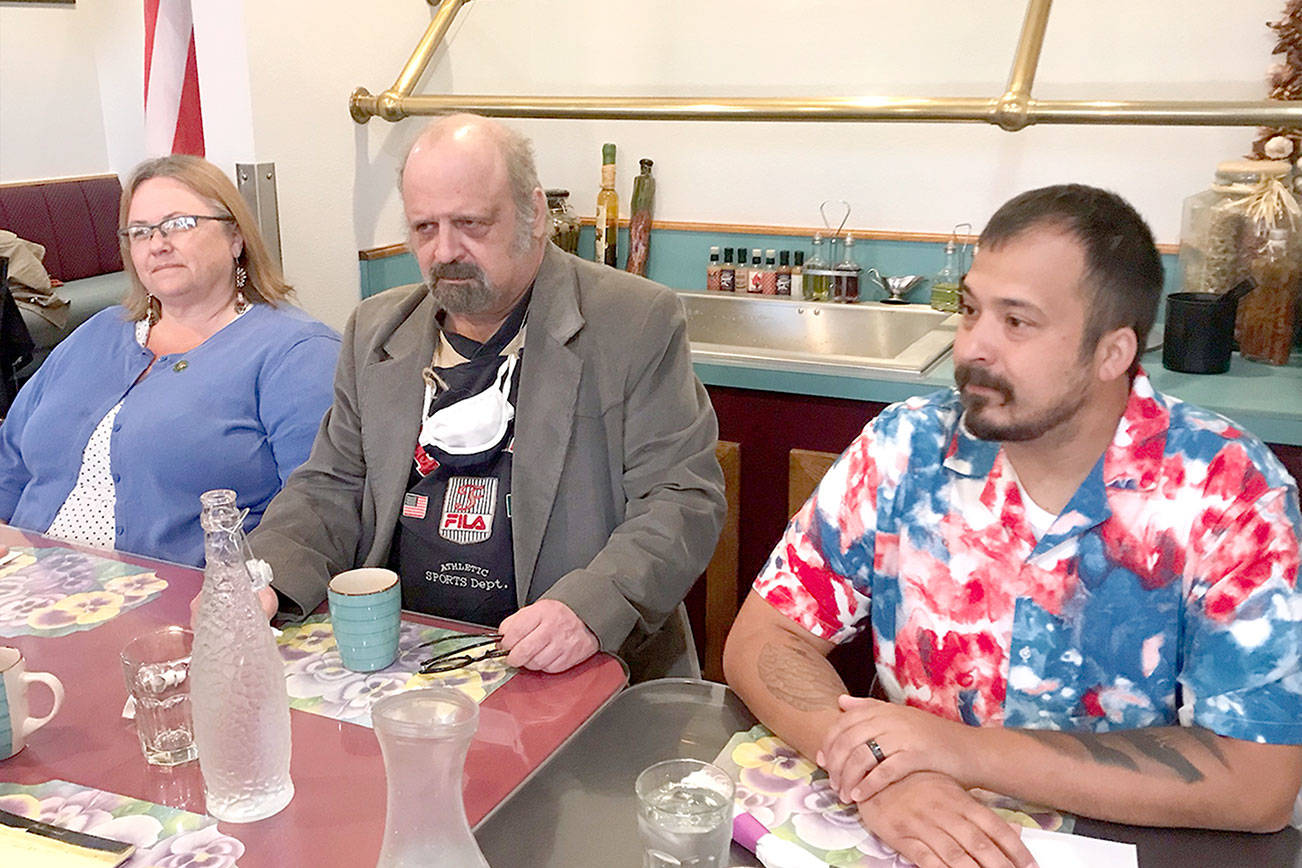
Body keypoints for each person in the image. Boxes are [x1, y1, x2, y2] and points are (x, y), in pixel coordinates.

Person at [724, 185, 1302, 868]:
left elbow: (1259, 783)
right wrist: (877, 767)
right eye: (970, 310)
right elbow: (764, 639)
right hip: (896, 833)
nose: (974, 347)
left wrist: (958, 752)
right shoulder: (905, 447)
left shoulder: (1229, 489)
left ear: (1112, 353)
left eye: (1016, 323)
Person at [249, 114, 725, 681]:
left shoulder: (633, 321)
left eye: (471, 223)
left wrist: (591, 607)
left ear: (535, 214)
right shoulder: (376, 332)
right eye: (424, 228)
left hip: (564, 664)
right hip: (403, 652)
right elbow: (331, 483)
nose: (445, 250)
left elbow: (681, 496)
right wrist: (262, 579)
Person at [0, 155, 340, 567]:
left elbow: (322, 513)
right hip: (24, 589)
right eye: (140, 232)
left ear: (236, 237)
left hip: (178, 603)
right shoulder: (99, 332)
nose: (158, 244)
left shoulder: (296, 352)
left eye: (179, 224)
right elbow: (10, 460)